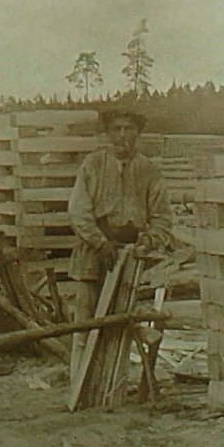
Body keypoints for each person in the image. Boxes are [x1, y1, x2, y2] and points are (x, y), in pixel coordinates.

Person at [67, 109, 173, 376]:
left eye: (128, 129)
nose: (122, 135)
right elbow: (78, 212)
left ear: (138, 134)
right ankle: (79, 384)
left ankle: (113, 384)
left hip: (128, 257)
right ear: (107, 133)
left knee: (121, 323)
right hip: (93, 253)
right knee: (86, 322)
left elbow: (162, 218)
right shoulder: (92, 165)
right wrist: (100, 243)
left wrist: (148, 241)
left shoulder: (149, 170)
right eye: (116, 129)